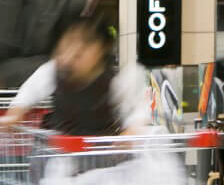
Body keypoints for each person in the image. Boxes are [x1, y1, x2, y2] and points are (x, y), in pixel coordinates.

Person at [0, 13, 147, 135]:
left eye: (85, 45)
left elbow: (138, 108)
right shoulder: (52, 72)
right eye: (70, 42)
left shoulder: (118, 80)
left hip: (100, 155)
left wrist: (132, 129)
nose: (75, 52)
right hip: (59, 152)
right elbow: (30, 91)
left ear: (103, 50)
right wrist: (15, 113)